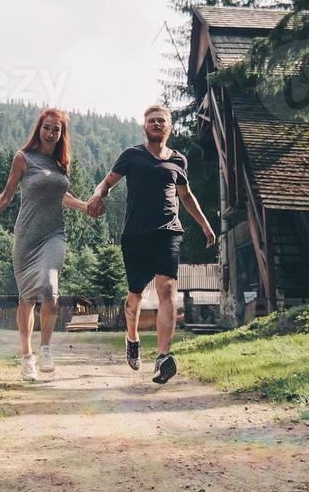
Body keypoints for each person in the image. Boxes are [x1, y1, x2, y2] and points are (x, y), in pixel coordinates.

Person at [87, 104, 216, 384]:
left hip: (169, 232)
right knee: (135, 295)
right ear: (145, 127)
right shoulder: (132, 156)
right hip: (135, 235)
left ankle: (162, 357)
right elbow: (107, 183)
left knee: (167, 288)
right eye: (151, 121)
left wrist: (205, 225)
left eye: (161, 121)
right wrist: (98, 196)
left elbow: (186, 196)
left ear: (169, 127)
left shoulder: (179, 160)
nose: (156, 124)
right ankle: (132, 338)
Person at [0, 108, 92, 381]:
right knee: (26, 299)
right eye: (47, 128)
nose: (51, 133)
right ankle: (27, 357)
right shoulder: (23, 158)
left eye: (56, 129)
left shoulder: (61, 163)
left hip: (54, 235)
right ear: (39, 129)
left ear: (62, 134)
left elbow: (63, 195)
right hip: (26, 237)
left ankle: (46, 347)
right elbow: (6, 196)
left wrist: (86, 207)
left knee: (50, 290)